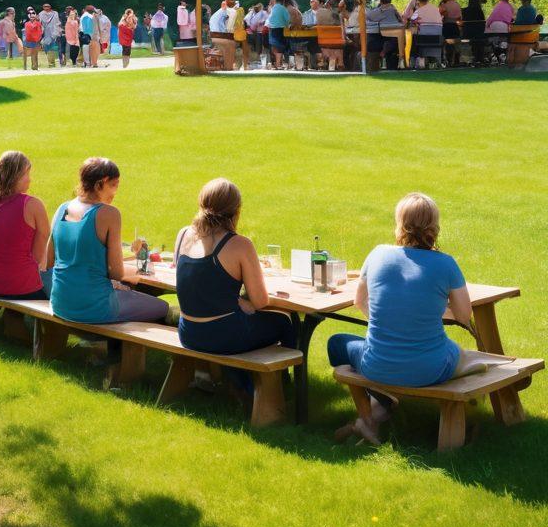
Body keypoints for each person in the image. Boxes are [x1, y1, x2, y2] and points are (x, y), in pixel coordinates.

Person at [327, 193, 485, 445]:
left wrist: (390, 322)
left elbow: (359, 301)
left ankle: (370, 418)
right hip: (430, 369)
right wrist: (431, 310)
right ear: (434, 226)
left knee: (337, 343)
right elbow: (464, 316)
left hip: (376, 365)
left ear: (400, 223)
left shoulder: (378, 254)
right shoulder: (446, 264)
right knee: (456, 351)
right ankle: (384, 406)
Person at [174, 179, 294, 388]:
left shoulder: (184, 234)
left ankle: (243, 384)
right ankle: (282, 389)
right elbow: (260, 300)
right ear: (236, 210)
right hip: (223, 336)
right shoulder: (239, 244)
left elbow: (198, 281)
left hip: (188, 333)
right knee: (286, 322)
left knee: (238, 320)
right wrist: (246, 301)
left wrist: (237, 300)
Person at [47, 157, 169, 325]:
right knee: (163, 307)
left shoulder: (62, 209)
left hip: (60, 303)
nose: (115, 192)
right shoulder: (109, 214)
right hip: (94, 308)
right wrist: (142, 271)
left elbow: (48, 260)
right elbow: (117, 273)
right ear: (100, 184)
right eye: (114, 186)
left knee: (126, 295)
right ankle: (117, 347)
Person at [0, 151, 52, 300]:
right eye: (26, 174)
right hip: (20, 286)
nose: (30, 180)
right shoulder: (33, 205)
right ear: (15, 177)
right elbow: (38, 259)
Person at [365, 0, 403, 71]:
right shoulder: (394, 10)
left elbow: (368, 16)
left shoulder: (380, 10)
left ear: (381, 2)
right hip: (396, 36)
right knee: (393, 42)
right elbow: (401, 20)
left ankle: (382, 53)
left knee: (374, 38)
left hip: (383, 35)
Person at [461, 0, 488, 65]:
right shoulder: (479, 11)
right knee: (479, 41)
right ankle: (479, 58)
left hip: (467, 33)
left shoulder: (464, 10)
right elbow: (482, 23)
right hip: (478, 34)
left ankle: (468, 59)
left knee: (474, 41)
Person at [439, 0, 463, 67]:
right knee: (456, 43)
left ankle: (448, 61)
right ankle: (456, 61)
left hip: (446, 26)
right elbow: (459, 18)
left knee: (447, 44)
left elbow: (440, 16)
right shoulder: (457, 4)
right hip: (455, 26)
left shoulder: (444, 5)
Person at [267, 0, 290, 70]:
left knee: (274, 47)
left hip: (272, 29)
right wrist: (287, 26)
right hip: (280, 29)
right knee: (280, 47)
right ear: (283, 1)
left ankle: (276, 64)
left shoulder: (273, 8)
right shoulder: (283, 8)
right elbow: (287, 19)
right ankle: (278, 64)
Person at [38, 3, 61, 68]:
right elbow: (39, 23)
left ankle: (53, 62)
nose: (46, 8)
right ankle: (50, 61)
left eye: (48, 6)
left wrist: (57, 32)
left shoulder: (55, 13)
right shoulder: (41, 14)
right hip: (45, 33)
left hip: (54, 32)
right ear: (43, 7)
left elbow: (57, 22)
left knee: (53, 47)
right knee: (46, 47)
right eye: (45, 6)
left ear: (50, 7)